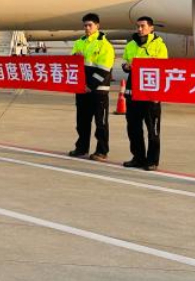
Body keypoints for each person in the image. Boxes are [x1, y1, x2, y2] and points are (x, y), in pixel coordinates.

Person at [121, 16, 168, 170]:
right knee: (133, 128)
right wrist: (127, 66)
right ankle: (138, 157)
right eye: (138, 26)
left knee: (152, 130)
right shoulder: (131, 45)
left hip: (150, 94)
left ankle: (152, 160)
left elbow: (163, 69)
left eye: (143, 26)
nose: (139, 29)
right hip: (133, 92)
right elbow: (125, 63)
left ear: (151, 28)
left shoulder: (159, 46)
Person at [71, 13, 114, 161]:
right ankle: (81, 147)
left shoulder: (104, 45)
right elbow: (72, 64)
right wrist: (75, 57)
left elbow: (104, 68)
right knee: (82, 122)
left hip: (98, 91)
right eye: (85, 25)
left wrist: (90, 85)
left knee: (100, 123)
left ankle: (102, 150)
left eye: (90, 25)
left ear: (97, 26)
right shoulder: (79, 43)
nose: (87, 28)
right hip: (82, 89)